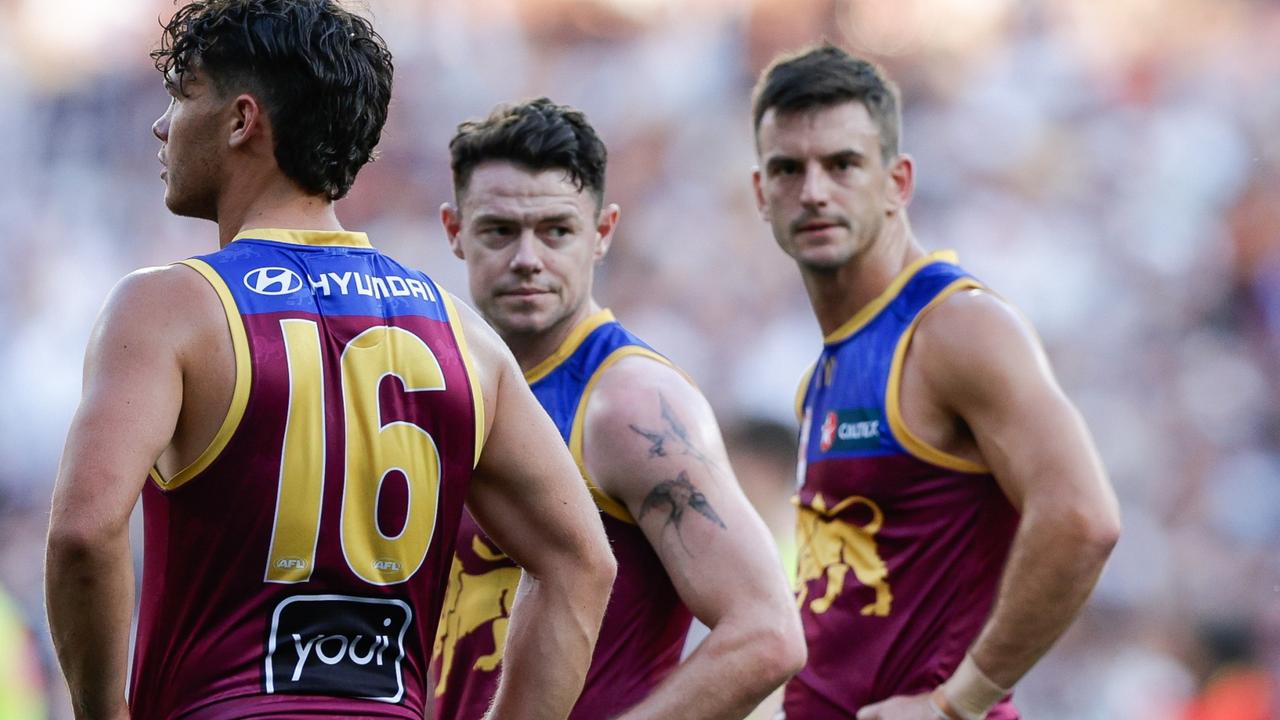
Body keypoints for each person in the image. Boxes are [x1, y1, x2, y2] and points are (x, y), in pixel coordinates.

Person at [44, 3, 614, 718]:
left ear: (241, 119)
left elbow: (83, 531)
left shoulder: (169, 308)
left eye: (182, 93)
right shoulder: (465, 339)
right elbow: (581, 562)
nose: (162, 124)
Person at [749, 45, 1122, 720]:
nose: (813, 191)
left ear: (898, 182)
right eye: (787, 169)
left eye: (842, 165)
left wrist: (958, 703)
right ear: (760, 193)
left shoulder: (956, 329)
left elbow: (1083, 518)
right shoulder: (821, 377)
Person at [433, 98, 806, 720]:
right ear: (453, 231)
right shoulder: (449, 382)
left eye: (556, 230)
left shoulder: (629, 404)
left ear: (602, 233)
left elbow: (767, 633)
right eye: (500, 231)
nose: (528, 259)